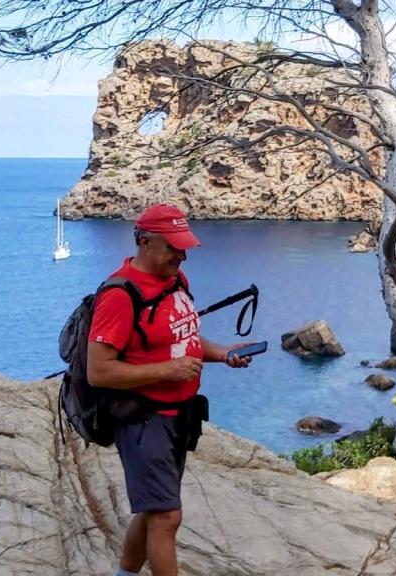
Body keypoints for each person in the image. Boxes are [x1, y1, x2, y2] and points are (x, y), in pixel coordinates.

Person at [86, 203, 252, 576]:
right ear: (145, 242)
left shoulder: (176, 282)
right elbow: (99, 371)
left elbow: (185, 339)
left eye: (185, 247)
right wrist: (168, 370)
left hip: (181, 415)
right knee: (166, 516)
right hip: (144, 419)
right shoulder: (119, 295)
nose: (183, 255)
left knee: (155, 509)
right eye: (174, 247)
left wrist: (223, 354)